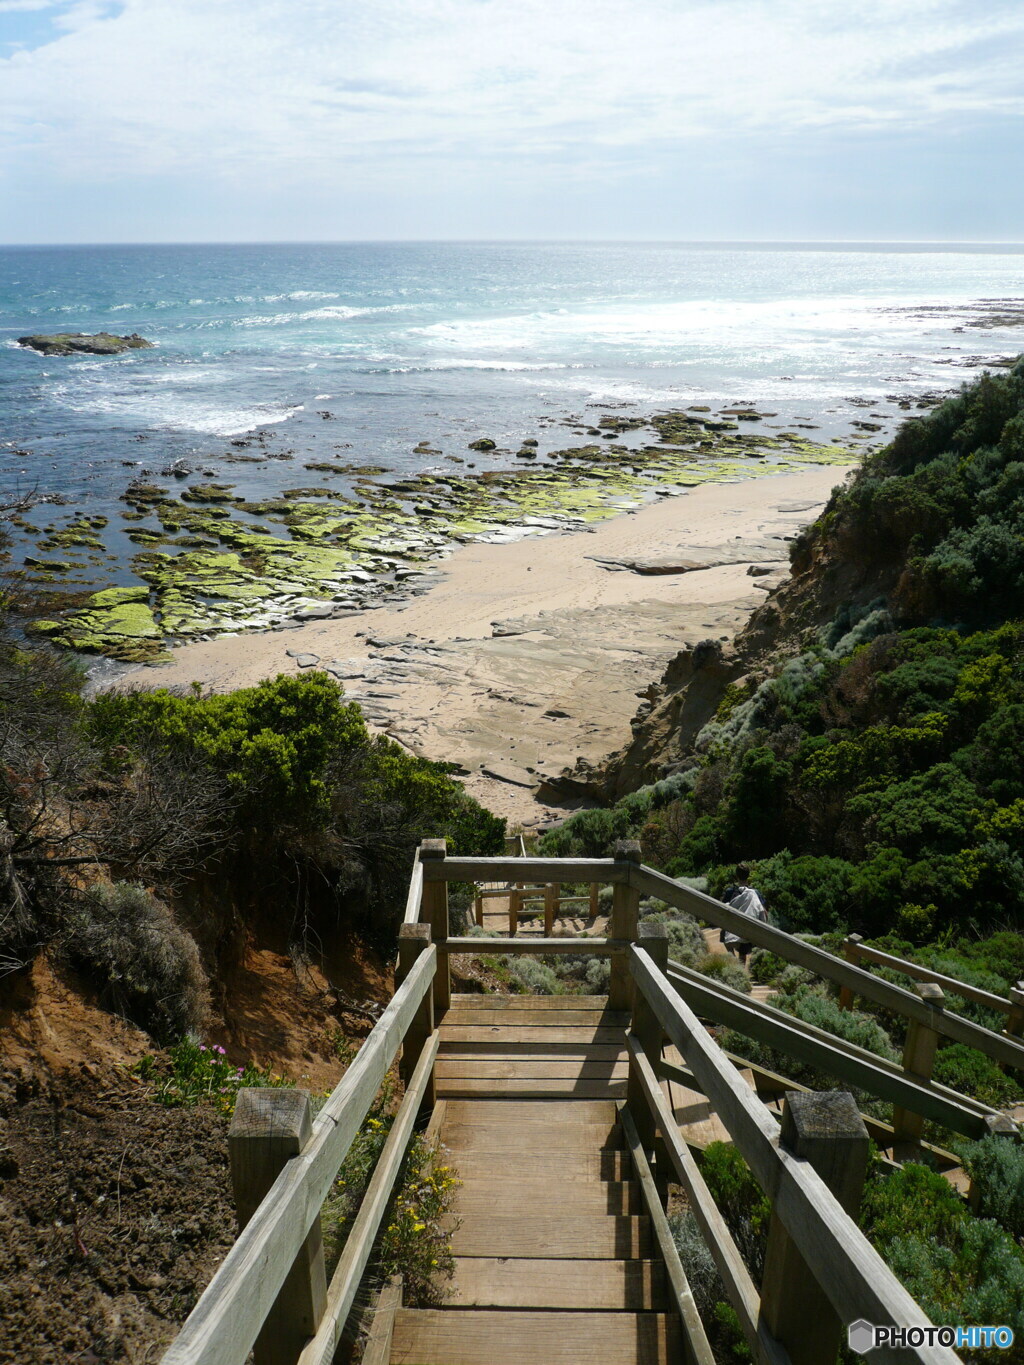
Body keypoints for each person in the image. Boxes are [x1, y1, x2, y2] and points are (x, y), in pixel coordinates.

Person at [721, 862, 767, 967]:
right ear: (748, 875)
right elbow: (763, 910)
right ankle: (740, 969)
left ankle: (732, 960)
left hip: (731, 928)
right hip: (747, 928)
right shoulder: (755, 892)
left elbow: (723, 909)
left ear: (736, 876)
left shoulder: (730, 891)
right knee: (743, 952)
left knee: (725, 936)